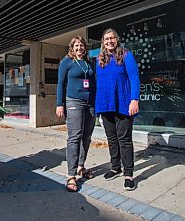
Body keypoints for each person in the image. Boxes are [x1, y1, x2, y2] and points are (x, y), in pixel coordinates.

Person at [95, 28, 140, 191]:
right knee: (112, 139)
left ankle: (129, 174)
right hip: (105, 104)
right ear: (103, 42)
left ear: (117, 39)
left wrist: (134, 99)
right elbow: (98, 82)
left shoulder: (126, 55)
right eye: (106, 39)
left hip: (123, 103)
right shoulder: (100, 59)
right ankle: (115, 167)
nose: (109, 41)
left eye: (112, 38)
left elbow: (134, 77)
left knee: (124, 140)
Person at [56, 36, 96, 192]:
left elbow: (94, 83)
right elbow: (60, 83)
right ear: (71, 48)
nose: (79, 48)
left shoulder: (88, 63)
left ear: (85, 47)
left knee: (87, 136)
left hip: (90, 103)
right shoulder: (66, 62)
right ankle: (71, 175)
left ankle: (81, 166)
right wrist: (60, 104)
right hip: (73, 102)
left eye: (81, 45)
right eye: (76, 45)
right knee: (74, 137)